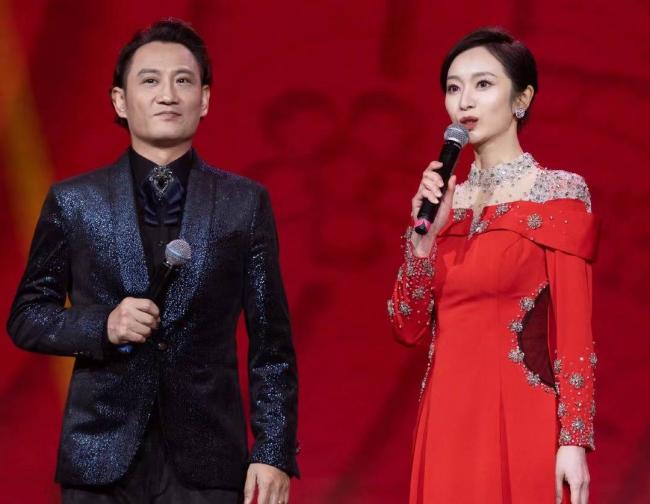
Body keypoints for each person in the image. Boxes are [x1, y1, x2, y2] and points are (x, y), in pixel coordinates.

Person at [7, 19, 298, 504]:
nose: (168, 95)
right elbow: (27, 317)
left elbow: (272, 344)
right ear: (120, 101)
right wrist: (104, 325)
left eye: (183, 80)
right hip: (100, 459)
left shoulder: (244, 204)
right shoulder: (74, 201)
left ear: (204, 99)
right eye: (150, 80)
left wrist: (273, 451)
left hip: (208, 460)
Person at [388, 28, 598, 504]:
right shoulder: (443, 205)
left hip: (523, 415)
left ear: (522, 99)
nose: (465, 101)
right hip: (445, 418)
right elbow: (406, 326)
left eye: (483, 84)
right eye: (454, 87)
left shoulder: (559, 194)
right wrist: (422, 243)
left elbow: (575, 332)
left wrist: (574, 439)